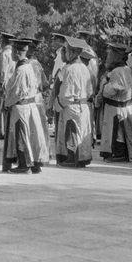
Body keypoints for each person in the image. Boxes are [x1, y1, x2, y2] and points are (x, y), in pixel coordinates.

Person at [2, 39, 50, 174]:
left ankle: (24, 164)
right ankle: (34, 163)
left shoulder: (21, 70)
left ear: (17, 52)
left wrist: (6, 104)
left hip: (21, 107)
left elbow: (16, 91)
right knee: (32, 136)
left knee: (21, 135)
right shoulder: (29, 65)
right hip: (30, 105)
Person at [54, 36, 94, 167]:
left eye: (66, 51)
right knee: (81, 133)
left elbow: (66, 93)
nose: (65, 54)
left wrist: (58, 105)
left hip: (71, 105)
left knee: (71, 132)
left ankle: (71, 159)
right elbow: (89, 90)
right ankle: (81, 159)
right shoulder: (84, 68)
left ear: (73, 52)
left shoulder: (70, 69)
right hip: (83, 105)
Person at [97, 42, 132, 162]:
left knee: (116, 132)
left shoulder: (119, 71)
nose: (108, 57)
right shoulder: (125, 69)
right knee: (118, 132)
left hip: (116, 107)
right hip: (119, 106)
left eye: (110, 55)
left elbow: (112, 90)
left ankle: (118, 154)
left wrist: (105, 84)